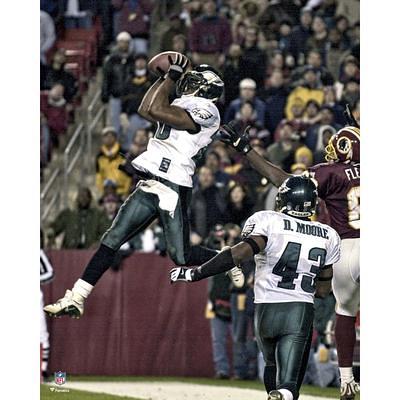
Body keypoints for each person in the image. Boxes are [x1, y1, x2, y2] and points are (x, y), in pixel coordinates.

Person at [44, 56, 238, 320]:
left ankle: (225, 259)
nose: (186, 82)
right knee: (111, 239)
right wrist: (163, 78)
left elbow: (158, 111)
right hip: (151, 180)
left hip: (174, 185)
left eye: (192, 79)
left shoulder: (209, 111)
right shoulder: (183, 101)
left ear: (206, 87)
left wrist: (170, 78)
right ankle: (77, 296)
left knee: (180, 257)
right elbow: (146, 109)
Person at [220, 121, 360, 399]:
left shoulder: (329, 171)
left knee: (345, 309)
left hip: (346, 248)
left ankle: (346, 379)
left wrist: (246, 150)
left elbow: (286, 182)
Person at [170, 175, 341, 400]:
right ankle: (283, 394)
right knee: (289, 383)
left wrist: (195, 273)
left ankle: (274, 394)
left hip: (265, 309)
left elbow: (237, 254)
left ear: (285, 199)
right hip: (298, 309)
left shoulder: (268, 221)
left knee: (271, 365)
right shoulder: (328, 235)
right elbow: (322, 289)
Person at [101, 31, 135, 137]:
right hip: (115, 95)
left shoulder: (133, 60)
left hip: (130, 97)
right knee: (115, 125)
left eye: (126, 42)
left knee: (130, 126)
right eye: (121, 42)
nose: (123, 44)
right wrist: (105, 94)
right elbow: (106, 78)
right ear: (118, 43)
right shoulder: (111, 60)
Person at [188, 0, 232, 68]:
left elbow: (227, 40)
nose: (209, 6)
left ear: (215, 5)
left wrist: (224, 54)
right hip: (200, 55)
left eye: (211, 4)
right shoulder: (197, 23)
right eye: (206, 3)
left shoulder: (223, 22)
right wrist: (194, 52)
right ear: (203, 6)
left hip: (216, 56)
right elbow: (193, 39)